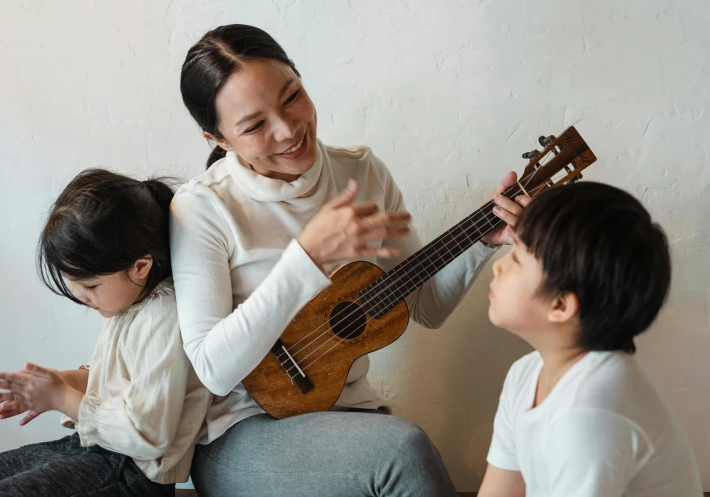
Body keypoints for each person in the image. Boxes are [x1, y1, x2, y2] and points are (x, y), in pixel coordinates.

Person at [171, 24, 529, 496]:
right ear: (217, 138)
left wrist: (481, 242)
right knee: (402, 451)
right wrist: (308, 257)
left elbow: (426, 307)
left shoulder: (359, 172)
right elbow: (212, 368)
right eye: (255, 126)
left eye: (292, 96)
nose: (288, 129)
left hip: (349, 417)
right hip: (242, 431)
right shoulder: (202, 208)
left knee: (400, 449)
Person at [0, 169, 212, 497]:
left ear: (140, 266)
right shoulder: (129, 303)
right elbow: (115, 382)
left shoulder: (165, 317)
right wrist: (58, 383)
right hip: (92, 447)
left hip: (133, 473)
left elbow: (146, 435)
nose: (80, 297)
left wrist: (61, 398)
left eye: (90, 286)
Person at [478, 182, 702, 497]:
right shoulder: (525, 375)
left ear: (561, 305)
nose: (497, 267)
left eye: (516, 258)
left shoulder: (591, 410)